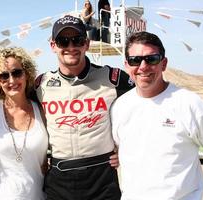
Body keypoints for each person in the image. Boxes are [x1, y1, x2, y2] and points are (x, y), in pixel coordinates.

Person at [35, 15, 134, 200]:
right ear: (53, 45)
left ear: (86, 44)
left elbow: (145, 111)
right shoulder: (40, 84)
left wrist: (127, 149)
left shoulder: (113, 78)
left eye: (77, 40)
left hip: (102, 178)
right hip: (59, 179)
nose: (71, 47)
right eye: (63, 41)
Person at [111, 31, 203, 200]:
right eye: (135, 60)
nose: (143, 66)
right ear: (126, 64)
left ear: (164, 63)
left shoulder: (190, 104)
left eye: (151, 59)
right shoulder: (120, 106)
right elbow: (120, 151)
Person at [0, 47, 48, 200]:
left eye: (17, 73)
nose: (12, 80)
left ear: (26, 74)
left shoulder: (41, 111)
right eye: (4, 76)